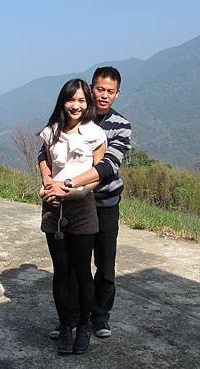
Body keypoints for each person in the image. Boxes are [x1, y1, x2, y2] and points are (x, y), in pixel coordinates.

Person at [39, 66, 131, 339]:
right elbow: (44, 153)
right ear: (91, 88)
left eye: (110, 91)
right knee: (74, 267)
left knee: (104, 264)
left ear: (117, 94)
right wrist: (48, 181)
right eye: (99, 89)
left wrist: (67, 185)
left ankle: (99, 317)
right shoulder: (70, 117)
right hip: (70, 204)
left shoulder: (120, 126)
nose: (103, 96)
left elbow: (107, 166)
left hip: (103, 203)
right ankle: (72, 319)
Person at [38, 78, 107, 355]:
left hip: (82, 208)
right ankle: (65, 326)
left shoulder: (95, 134)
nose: (76, 105)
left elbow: (97, 176)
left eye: (81, 100)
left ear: (87, 104)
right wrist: (46, 185)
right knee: (61, 272)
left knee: (82, 272)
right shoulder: (50, 132)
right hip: (53, 208)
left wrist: (71, 190)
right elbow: (45, 162)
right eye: (71, 99)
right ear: (62, 101)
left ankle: (83, 328)